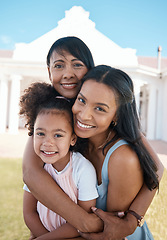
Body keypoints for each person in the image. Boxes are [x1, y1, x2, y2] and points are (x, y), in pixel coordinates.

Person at [22, 36, 164, 239]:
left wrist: (131, 220)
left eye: (77, 65)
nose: (68, 74)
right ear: (49, 71)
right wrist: (83, 222)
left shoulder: (119, 149)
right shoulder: (55, 115)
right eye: (59, 65)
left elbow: (157, 168)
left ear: (89, 71)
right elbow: (30, 173)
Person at [72, 65, 159, 239]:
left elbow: (110, 231)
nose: (84, 115)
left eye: (100, 109)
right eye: (82, 100)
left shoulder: (122, 158)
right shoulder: (73, 140)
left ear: (117, 116)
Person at [20, 82, 98, 239]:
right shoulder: (38, 169)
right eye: (40, 133)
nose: (47, 143)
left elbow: (81, 223)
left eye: (58, 135)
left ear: (73, 139)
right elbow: (29, 212)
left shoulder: (83, 170)